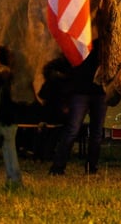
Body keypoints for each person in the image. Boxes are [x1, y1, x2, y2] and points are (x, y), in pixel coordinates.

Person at [49, 46, 107, 175]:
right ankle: (58, 167)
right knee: (73, 130)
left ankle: (91, 167)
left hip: (97, 91)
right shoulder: (81, 40)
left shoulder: (103, 44)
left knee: (95, 133)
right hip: (81, 90)